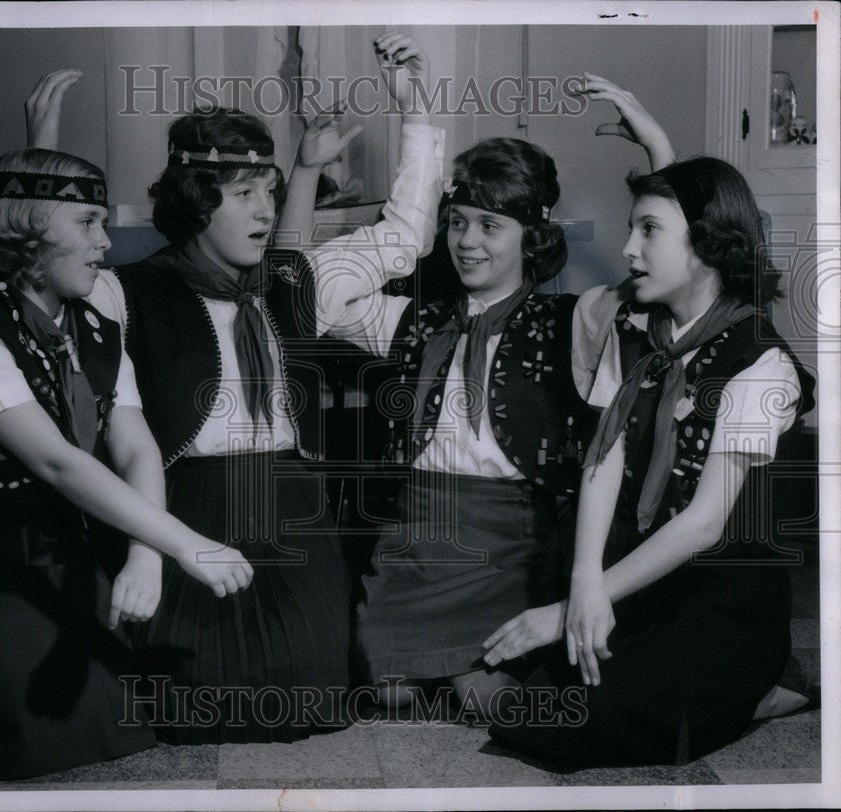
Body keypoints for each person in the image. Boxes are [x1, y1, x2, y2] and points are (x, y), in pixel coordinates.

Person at [25, 33, 446, 742]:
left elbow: (405, 236)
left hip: (291, 506)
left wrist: (416, 112)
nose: (262, 211)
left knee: (312, 697)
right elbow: (30, 278)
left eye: (269, 193)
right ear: (194, 204)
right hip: (182, 506)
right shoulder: (124, 293)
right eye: (243, 194)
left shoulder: (293, 282)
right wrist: (39, 152)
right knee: (194, 704)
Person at [281, 74, 676, 714]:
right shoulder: (418, 322)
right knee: (389, 694)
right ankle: (451, 669)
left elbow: (665, 287)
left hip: (512, 544)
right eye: (458, 222)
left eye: (491, 226)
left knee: (487, 699)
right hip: (415, 536)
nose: (467, 242)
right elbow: (301, 300)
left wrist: (659, 152)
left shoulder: (571, 322)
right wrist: (415, 134)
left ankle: (489, 672)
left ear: (533, 237)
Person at [0, 147, 253, 780]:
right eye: (86, 223)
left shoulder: (95, 322)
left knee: (159, 698)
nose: (106, 243)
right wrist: (187, 544)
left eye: (102, 222)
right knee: (54, 732)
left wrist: (145, 556)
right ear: (26, 229)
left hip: (59, 547)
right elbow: (55, 463)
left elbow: (135, 446)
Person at [483, 109, 816, 765]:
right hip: (648, 585)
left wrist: (577, 605)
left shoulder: (761, 363)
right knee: (534, 706)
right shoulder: (639, 331)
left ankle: (766, 688)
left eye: (649, 231)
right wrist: (582, 585)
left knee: (575, 727)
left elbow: (703, 523)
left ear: (707, 245)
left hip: (724, 607)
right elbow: (602, 462)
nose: (629, 248)